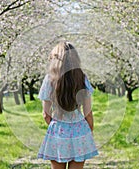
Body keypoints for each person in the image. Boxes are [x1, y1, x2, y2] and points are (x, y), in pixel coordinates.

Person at [37, 41, 98, 169]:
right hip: (80, 130)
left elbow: (45, 114)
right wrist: (89, 130)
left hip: (58, 130)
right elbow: (88, 113)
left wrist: (57, 126)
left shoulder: (49, 79)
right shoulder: (82, 78)